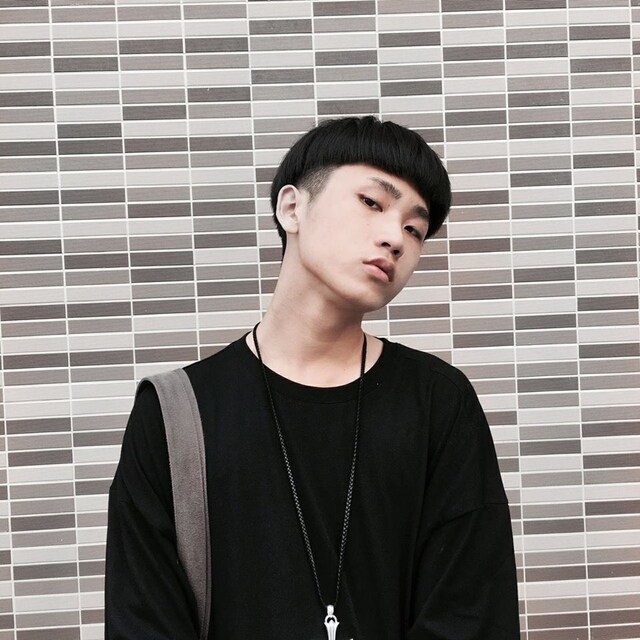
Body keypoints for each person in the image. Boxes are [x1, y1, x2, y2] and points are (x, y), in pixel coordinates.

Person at [104, 115, 520, 639]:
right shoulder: (174, 415)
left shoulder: (439, 403)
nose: (395, 238)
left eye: (415, 229)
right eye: (372, 202)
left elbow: (474, 616)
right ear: (292, 208)